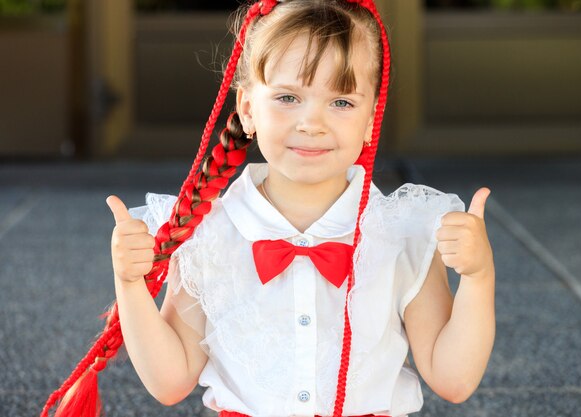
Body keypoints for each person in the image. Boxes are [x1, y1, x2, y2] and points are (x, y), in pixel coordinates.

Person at [42, 1, 496, 417]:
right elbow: (170, 380)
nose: (312, 122)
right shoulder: (209, 235)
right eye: (287, 97)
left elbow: (452, 379)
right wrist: (130, 284)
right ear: (247, 109)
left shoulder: (401, 234)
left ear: (370, 118)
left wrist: (478, 277)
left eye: (341, 101)